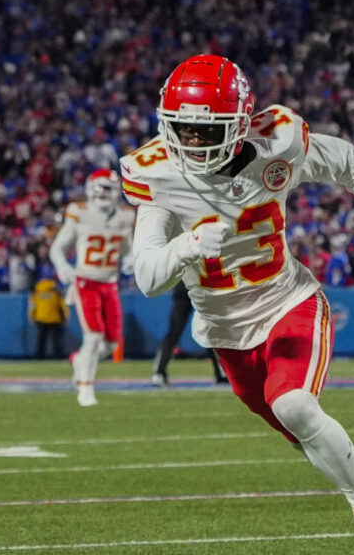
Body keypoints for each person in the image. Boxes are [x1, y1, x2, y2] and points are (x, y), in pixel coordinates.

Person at [127, 53, 354, 525]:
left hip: (288, 301)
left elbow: (345, 162)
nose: (192, 141)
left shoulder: (278, 143)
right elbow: (149, 277)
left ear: (240, 122)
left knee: (294, 404)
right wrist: (188, 245)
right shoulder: (160, 175)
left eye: (207, 130)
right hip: (224, 334)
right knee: (299, 431)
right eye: (182, 128)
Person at [49, 169, 135, 406]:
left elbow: (127, 250)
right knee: (94, 336)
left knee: (111, 343)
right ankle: (85, 388)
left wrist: (130, 260)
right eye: (101, 187)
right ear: (91, 187)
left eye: (109, 188)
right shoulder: (81, 213)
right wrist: (62, 265)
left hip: (110, 284)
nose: (104, 193)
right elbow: (57, 248)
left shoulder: (125, 217)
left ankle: (80, 360)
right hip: (86, 281)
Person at [151, 281, 228, 387]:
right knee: (209, 332)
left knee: (175, 332)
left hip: (188, 286)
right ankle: (221, 373)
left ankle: (159, 373)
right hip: (199, 287)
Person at [29, 276, 68, 359]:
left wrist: (32, 316)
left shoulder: (37, 291)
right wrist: (65, 317)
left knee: (41, 340)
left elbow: (32, 306)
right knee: (57, 340)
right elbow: (62, 306)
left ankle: (39, 356)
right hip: (55, 318)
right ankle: (57, 356)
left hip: (41, 318)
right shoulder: (56, 291)